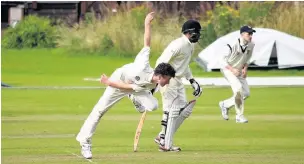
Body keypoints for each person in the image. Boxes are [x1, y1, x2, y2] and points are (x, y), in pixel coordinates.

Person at [76, 12, 176, 159]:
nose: (168, 82)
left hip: (133, 88)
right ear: (160, 76)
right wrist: (109, 82)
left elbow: (147, 44)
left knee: (153, 105)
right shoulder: (141, 67)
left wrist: (147, 24)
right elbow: (126, 86)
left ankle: (135, 99)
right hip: (119, 81)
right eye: (167, 79)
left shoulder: (152, 81)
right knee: (99, 110)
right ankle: (85, 142)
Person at [153, 20, 203, 152]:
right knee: (173, 111)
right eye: (196, 32)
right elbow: (161, 61)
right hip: (169, 80)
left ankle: (162, 135)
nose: (198, 35)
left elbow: (184, 65)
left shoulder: (190, 46)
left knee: (185, 111)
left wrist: (192, 80)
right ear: (190, 32)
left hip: (179, 80)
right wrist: (159, 80)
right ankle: (166, 144)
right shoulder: (178, 44)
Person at [218, 25, 256, 123]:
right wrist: (232, 69)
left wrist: (245, 68)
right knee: (238, 89)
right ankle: (239, 116)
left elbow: (248, 58)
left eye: (251, 34)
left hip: (238, 70)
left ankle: (225, 105)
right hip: (227, 69)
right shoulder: (232, 44)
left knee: (246, 93)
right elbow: (222, 61)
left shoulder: (251, 45)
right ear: (242, 34)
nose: (251, 36)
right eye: (249, 34)